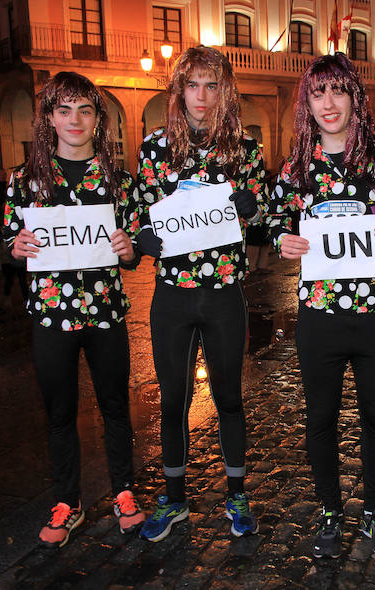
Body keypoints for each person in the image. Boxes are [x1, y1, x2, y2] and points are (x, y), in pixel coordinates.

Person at [267, 53, 375, 558]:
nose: (328, 103)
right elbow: (274, 217)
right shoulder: (297, 166)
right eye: (318, 94)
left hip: (374, 316)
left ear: (355, 96)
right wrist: (281, 241)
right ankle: (330, 512)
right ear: (307, 103)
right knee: (320, 419)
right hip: (318, 316)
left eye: (338, 90)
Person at [4, 71, 146, 548]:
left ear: (98, 119)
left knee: (115, 407)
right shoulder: (24, 181)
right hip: (51, 315)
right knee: (59, 412)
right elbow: (11, 239)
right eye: (64, 109)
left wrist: (129, 248)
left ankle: (124, 491)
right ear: (49, 117)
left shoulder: (119, 181)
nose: (75, 120)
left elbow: (134, 250)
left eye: (85, 109)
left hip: (105, 311)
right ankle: (68, 502)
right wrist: (17, 245)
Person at [133, 46, 266, 542]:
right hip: (173, 295)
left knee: (229, 398)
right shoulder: (153, 148)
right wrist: (142, 235)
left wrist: (252, 209)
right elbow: (138, 213)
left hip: (225, 293)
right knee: (174, 401)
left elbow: (265, 216)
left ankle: (236, 494)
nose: (202, 97)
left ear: (225, 90)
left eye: (212, 85)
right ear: (179, 91)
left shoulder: (245, 149)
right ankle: (174, 500)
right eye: (193, 85)